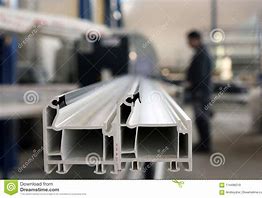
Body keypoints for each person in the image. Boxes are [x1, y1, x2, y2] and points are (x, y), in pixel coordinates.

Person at [186, 30, 213, 153]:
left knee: (201, 118)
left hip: (200, 92)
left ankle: (205, 146)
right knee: (200, 118)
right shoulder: (201, 52)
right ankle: (203, 143)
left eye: (189, 40)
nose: (188, 43)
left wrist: (193, 85)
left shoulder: (201, 54)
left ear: (196, 39)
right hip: (201, 91)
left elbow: (201, 75)